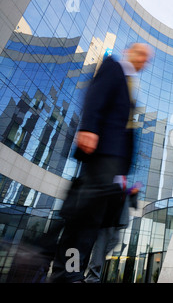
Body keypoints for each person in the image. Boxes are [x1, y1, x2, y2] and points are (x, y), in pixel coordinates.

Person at [50, 43, 152, 283]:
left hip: (114, 163)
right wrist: (88, 128)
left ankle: (71, 272)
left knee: (91, 219)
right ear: (131, 52)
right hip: (102, 153)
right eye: (142, 55)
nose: (144, 61)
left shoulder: (129, 85)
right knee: (83, 217)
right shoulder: (113, 67)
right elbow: (95, 95)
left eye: (147, 59)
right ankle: (65, 272)